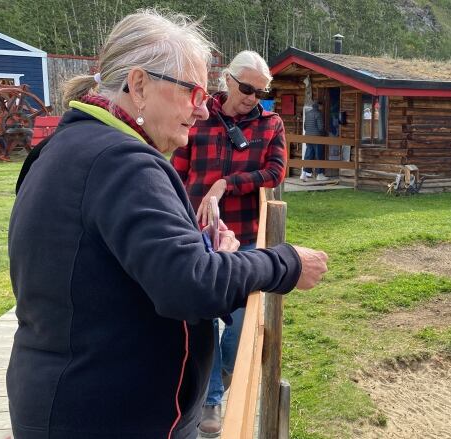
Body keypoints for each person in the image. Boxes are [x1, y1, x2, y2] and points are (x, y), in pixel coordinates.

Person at [6, 10, 327, 439]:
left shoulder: (69, 144)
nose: (200, 111)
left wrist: (198, 245)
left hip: (74, 398)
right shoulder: (123, 162)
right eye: (192, 93)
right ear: (138, 85)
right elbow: (189, 285)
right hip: (113, 416)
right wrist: (284, 263)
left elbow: (111, 263)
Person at [170, 50, 285, 437]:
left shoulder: (270, 123)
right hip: (198, 235)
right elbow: (177, 169)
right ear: (228, 81)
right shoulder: (199, 116)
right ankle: (212, 399)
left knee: (239, 319)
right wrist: (181, 213)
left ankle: (221, 371)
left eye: (261, 91)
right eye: (248, 88)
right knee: (203, 315)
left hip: (244, 234)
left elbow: (275, 170)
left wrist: (226, 185)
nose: (253, 97)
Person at [300, 101, 328, 182]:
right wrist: (326, 133)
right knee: (319, 155)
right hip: (317, 138)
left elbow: (305, 127)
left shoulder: (308, 114)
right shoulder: (318, 114)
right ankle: (320, 174)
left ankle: (304, 173)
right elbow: (320, 128)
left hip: (308, 137)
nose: (322, 108)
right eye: (321, 106)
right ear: (318, 106)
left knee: (308, 155)